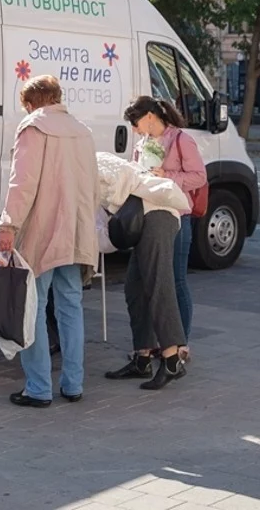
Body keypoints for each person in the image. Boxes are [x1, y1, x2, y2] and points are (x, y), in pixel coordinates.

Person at [0, 75, 100, 408]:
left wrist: (8, 224)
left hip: (42, 232)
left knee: (34, 307)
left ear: (32, 102)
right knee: (71, 306)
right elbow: (92, 187)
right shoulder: (83, 131)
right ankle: (74, 384)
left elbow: (22, 184)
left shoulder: (34, 127)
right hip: (74, 231)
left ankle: (38, 387)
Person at [99, 135, 194, 391]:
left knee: (158, 285)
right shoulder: (90, 166)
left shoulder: (95, 166)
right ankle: (142, 358)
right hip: (147, 215)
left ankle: (172, 359)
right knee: (135, 289)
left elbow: (119, 194)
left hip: (159, 215)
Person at [124, 96, 207, 357]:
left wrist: (167, 176)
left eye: (136, 123)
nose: (135, 130)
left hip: (177, 217)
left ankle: (180, 344)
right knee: (150, 282)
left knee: (175, 279)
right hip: (150, 216)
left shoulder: (181, 140)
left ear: (150, 116)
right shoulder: (142, 144)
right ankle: (154, 346)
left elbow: (199, 177)